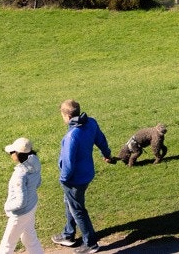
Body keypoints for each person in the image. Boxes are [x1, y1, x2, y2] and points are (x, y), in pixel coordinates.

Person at [54, 99, 112, 251]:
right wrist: (107, 154)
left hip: (74, 179)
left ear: (67, 116)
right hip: (87, 173)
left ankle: (90, 243)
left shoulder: (71, 136)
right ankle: (68, 235)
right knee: (70, 202)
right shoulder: (91, 123)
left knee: (78, 210)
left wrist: (64, 179)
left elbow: (68, 162)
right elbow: (101, 139)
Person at [0, 136, 43, 254]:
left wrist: (7, 207)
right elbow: (38, 183)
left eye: (12, 152)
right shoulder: (35, 163)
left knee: (7, 244)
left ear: (18, 154)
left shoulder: (20, 174)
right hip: (31, 207)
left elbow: (21, 202)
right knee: (29, 238)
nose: (10, 154)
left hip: (20, 214)